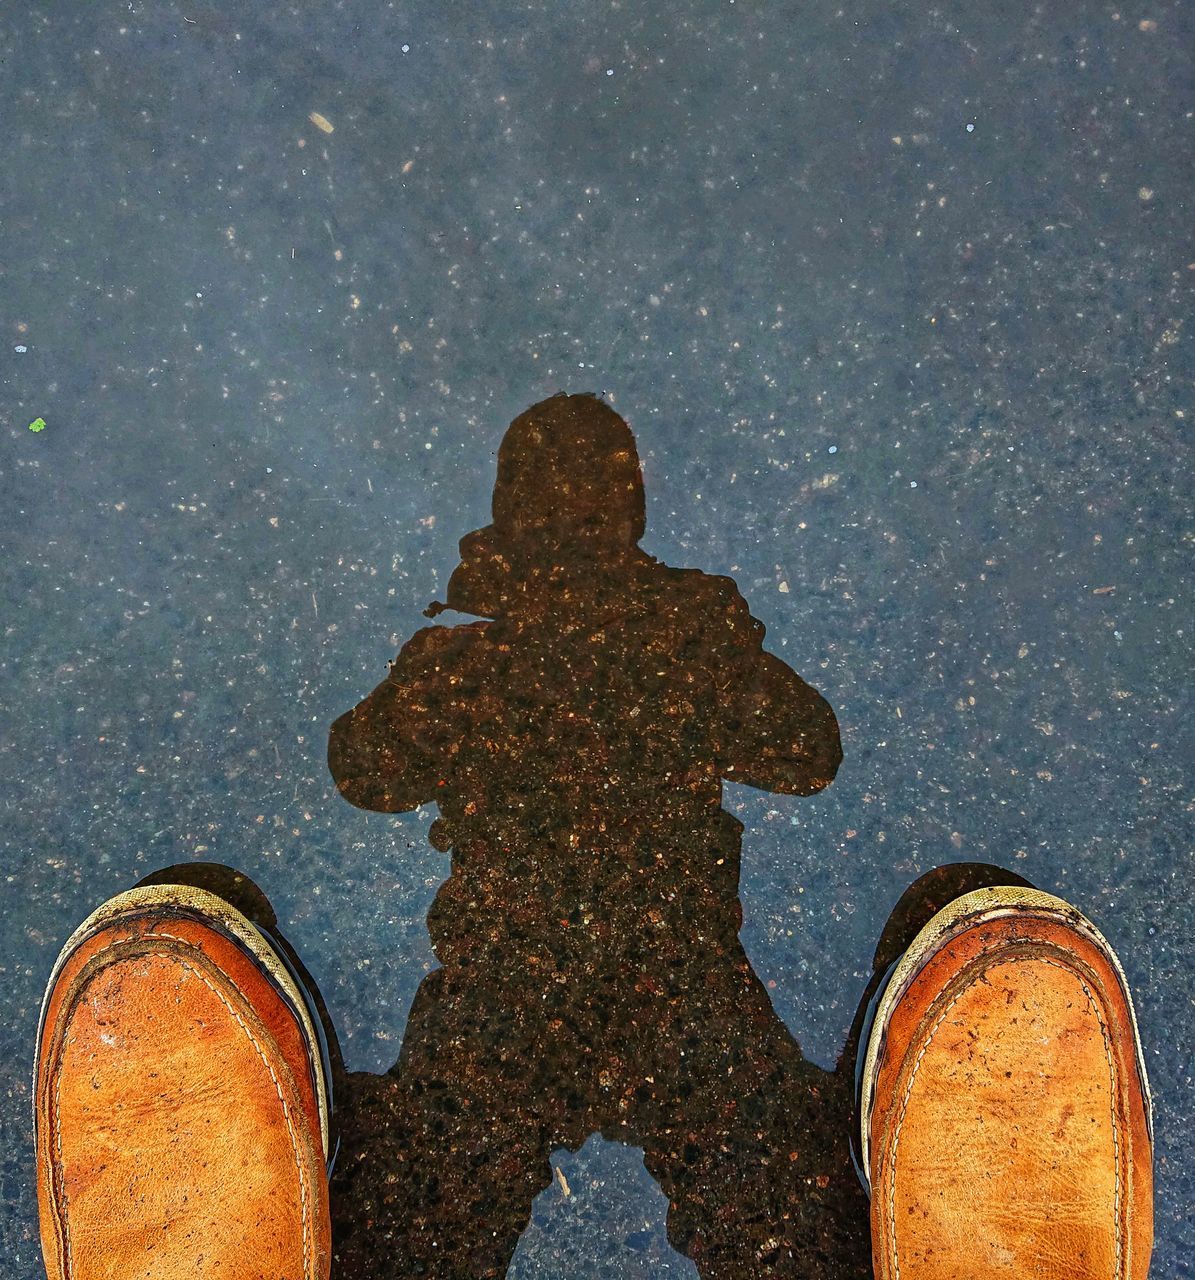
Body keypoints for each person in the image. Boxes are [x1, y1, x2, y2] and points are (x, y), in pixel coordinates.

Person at [33, 396, 1153, 1279]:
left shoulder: (612, 633)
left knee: (559, 1188)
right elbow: (363, 762)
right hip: (555, 971)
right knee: (682, 1188)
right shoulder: (481, 650)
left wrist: (687, 640)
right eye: (564, 493)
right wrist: (489, 666)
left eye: (583, 493)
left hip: (598, 973)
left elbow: (803, 748)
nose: (575, 517)